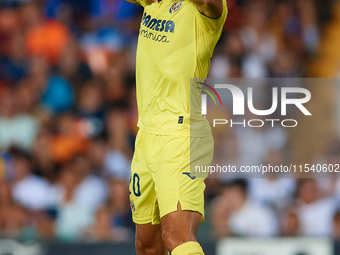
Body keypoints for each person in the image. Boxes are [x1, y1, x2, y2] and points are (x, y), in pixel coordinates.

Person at [124, 0, 228, 253]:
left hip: (181, 136)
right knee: (147, 245)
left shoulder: (204, 12)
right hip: (147, 134)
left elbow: (210, 4)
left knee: (177, 237)